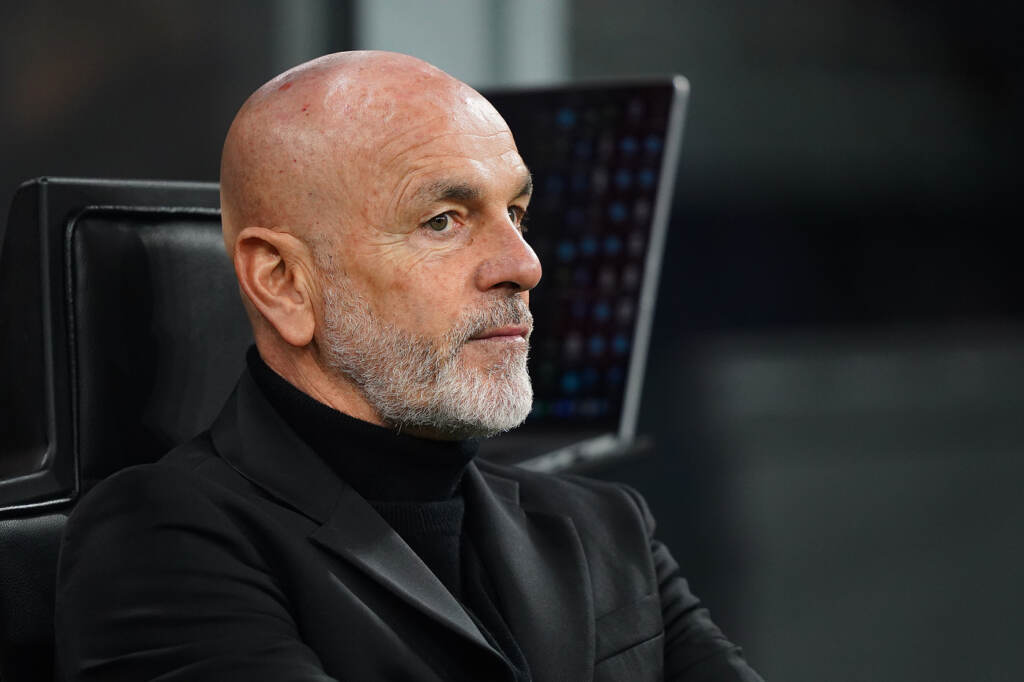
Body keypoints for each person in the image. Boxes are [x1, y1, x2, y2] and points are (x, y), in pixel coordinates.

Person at [55, 51, 763, 681]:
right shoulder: (160, 542)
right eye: (443, 220)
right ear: (283, 282)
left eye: (517, 213)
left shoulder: (605, 527)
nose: (525, 265)